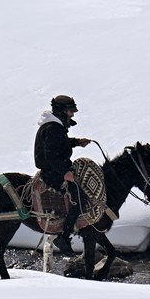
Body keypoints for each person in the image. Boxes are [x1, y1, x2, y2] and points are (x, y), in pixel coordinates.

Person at [34, 95, 92, 255]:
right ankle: (64, 237)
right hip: (52, 173)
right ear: (62, 111)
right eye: (69, 111)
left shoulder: (54, 127)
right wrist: (65, 173)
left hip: (54, 170)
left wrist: (76, 142)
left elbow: (59, 143)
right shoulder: (53, 128)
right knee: (79, 199)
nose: (72, 114)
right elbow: (51, 156)